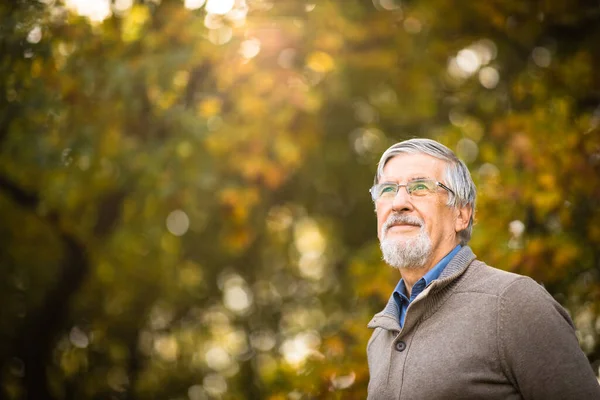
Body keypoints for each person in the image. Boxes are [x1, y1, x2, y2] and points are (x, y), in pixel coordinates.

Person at [366, 138, 600, 399]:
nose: (399, 203)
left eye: (420, 187)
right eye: (387, 190)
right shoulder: (380, 337)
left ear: (461, 215)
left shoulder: (514, 304)